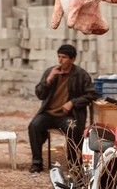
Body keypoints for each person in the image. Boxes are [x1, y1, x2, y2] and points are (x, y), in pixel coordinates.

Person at [28, 44, 98, 173]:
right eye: (59, 57)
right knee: (34, 125)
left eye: (64, 57)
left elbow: (92, 94)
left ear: (72, 59)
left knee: (73, 128)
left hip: (68, 116)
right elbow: (39, 94)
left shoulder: (81, 75)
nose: (60, 60)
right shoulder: (51, 72)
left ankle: (73, 163)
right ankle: (37, 162)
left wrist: (73, 102)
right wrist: (48, 80)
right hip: (48, 114)